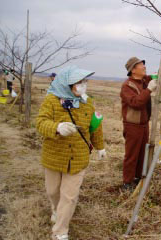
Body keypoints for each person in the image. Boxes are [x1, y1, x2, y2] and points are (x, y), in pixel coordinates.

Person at [36, 65, 106, 240]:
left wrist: (100, 147)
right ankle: (55, 209)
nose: (83, 85)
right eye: (78, 82)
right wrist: (57, 127)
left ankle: (60, 232)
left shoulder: (87, 102)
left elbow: (95, 127)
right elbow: (40, 123)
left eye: (84, 82)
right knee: (53, 191)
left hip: (78, 157)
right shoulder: (52, 100)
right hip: (54, 155)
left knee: (69, 196)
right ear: (67, 85)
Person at [120, 50, 161, 190]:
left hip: (143, 124)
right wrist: (148, 90)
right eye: (142, 65)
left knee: (142, 153)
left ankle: (137, 178)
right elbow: (136, 103)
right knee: (131, 154)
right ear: (133, 70)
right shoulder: (127, 87)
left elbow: (160, 76)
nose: (144, 67)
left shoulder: (144, 80)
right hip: (132, 126)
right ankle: (127, 182)